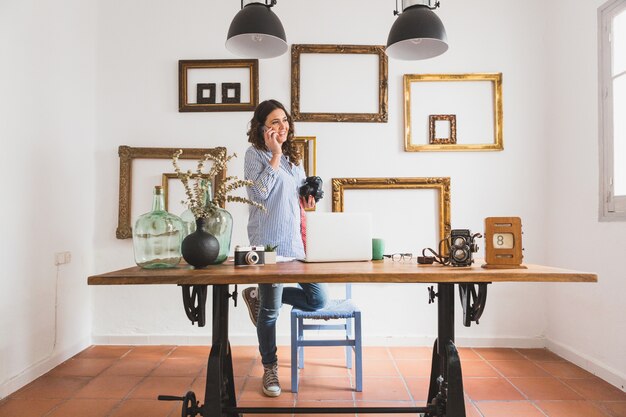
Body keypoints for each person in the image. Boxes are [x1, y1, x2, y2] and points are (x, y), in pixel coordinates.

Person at [242, 99, 327, 397]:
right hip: (269, 244)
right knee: (269, 314)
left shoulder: (295, 160)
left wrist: (308, 199)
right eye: (275, 122)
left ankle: (259, 295)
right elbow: (259, 193)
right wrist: (275, 155)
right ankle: (270, 368)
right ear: (262, 128)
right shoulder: (254, 155)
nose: (282, 127)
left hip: (296, 242)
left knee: (317, 299)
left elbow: (298, 198)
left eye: (285, 121)